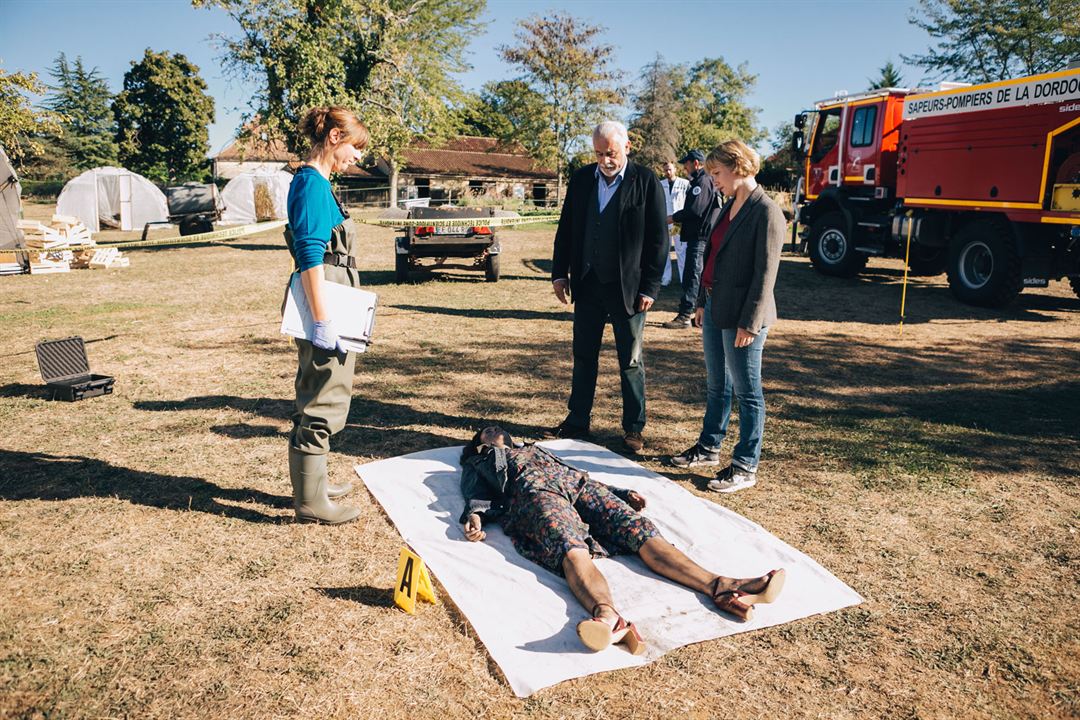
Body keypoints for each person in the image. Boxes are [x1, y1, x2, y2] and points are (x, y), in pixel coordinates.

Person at [459, 425, 786, 653]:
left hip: (580, 486)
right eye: (487, 431)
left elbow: (573, 471)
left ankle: (723, 587)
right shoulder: (480, 460)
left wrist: (619, 492)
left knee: (639, 530)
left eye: (497, 428)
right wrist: (475, 514)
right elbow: (474, 491)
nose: (494, 428)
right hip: (534, 494)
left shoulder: (534, 448)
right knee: (569, 547)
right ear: (480, 442)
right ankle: (608, 617)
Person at [669, 140, 786, 493]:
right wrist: (703, 301)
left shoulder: (766, 212)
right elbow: (716, 257)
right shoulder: (726, 205)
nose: (713, 181)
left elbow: (765, 275)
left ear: (737, 167)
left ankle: (745, 466)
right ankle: (708, 447)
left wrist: (750, 323)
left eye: (717, 173)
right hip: (716, 308)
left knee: (748, 393)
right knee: (717, 385)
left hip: (745, 319)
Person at [549, 120, 668, 454]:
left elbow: (659, 239)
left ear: (627, 147)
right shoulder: (582, 179)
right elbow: (567, 229)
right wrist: (560, 273)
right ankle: (577, 419)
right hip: (587, 284)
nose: (605, 161)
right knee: (583, 355)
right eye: (599, 154)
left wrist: (650, 287)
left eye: (611, 153)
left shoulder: (645, 181)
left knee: (630, 360)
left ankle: (634, 428)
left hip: (628, 289)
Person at [284, 106, 370, 524]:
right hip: (325, 301)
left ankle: (312, 485)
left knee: (316, 390)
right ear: (335, 137)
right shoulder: (312, 185)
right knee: (325, 396)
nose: (358, 158)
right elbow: (310, 258)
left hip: (331, 298)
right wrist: (322, 319)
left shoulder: (314, 182)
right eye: (355, 147)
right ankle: (310, 502)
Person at [663, 150, 717, 329]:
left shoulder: (701, 181)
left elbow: (695, 210)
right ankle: (700, 314)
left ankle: (685, 315)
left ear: (695, 163)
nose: (684, 167)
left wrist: (673, 217)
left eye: (686, 163)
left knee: (692, 275)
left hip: (700, 236)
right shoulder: (703, 180)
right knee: (697, 275)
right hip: (701, 235)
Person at [659, 161, 689, 287]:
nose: (668, 172)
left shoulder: (685, 184)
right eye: (666, 170)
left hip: (678, 221)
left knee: (681, 250)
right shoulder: (661, 184)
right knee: (664, 250)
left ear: (675, 169)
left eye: (670, 169)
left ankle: (683, 278)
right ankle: (666, 278)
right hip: (665, 220)